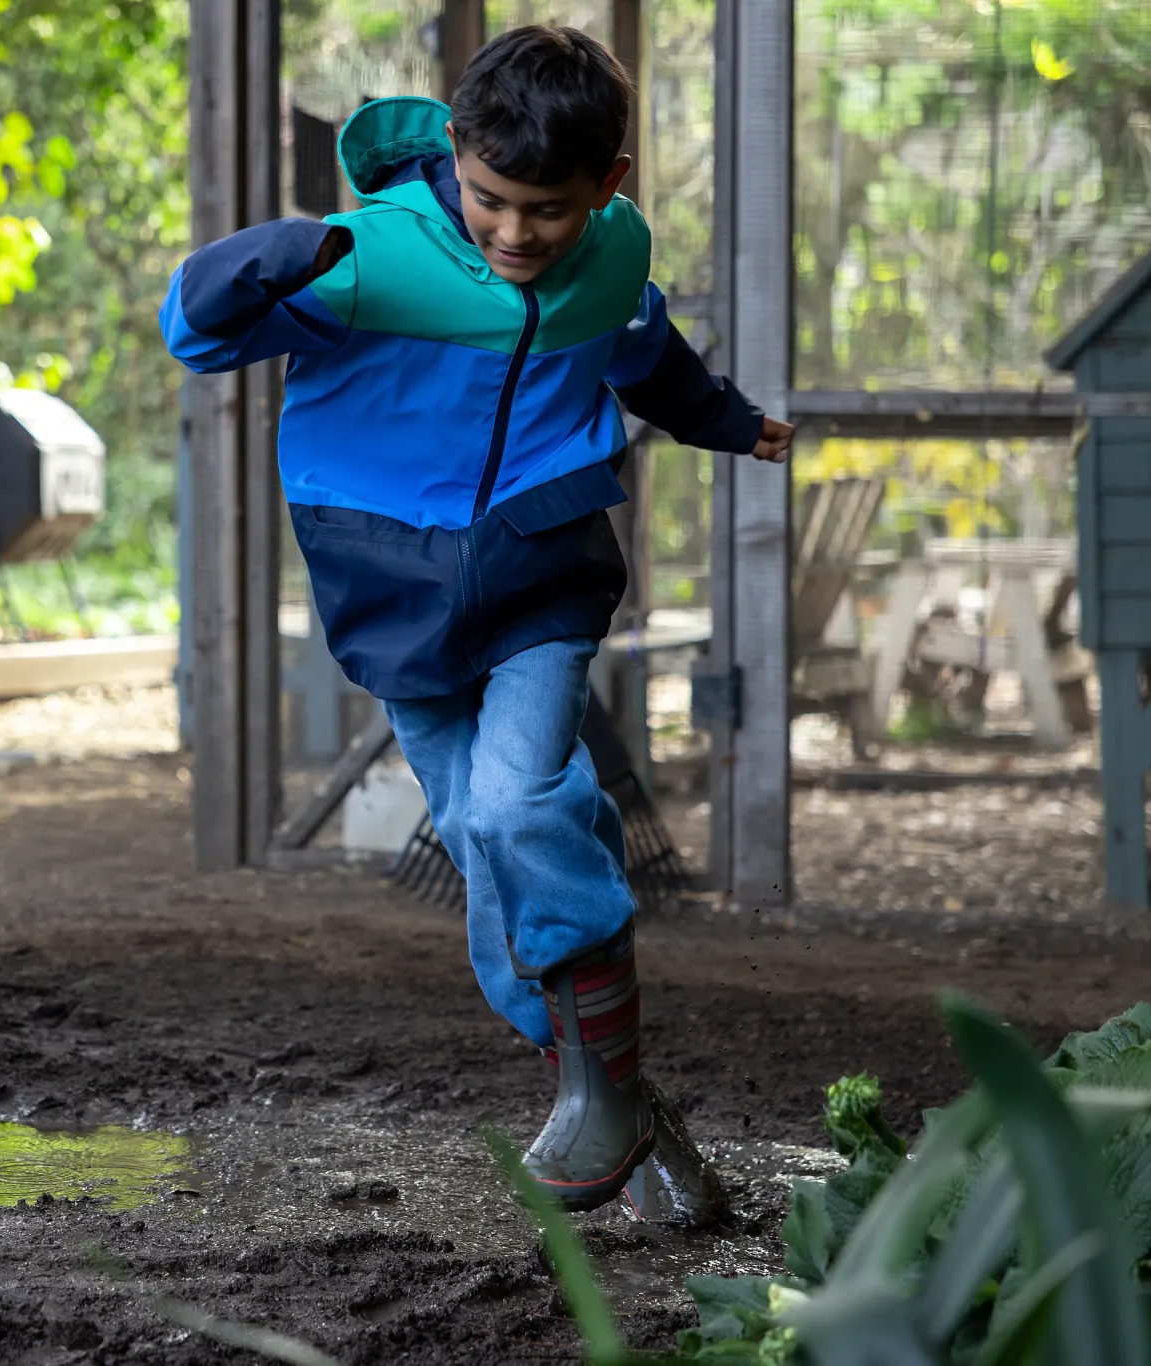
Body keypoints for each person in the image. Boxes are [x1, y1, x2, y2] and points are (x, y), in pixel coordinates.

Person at [161, 26, 792, 1213]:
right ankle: (615, 1103)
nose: (514, 233)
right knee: (487, 851)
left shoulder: (607, 257)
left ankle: (597, 1100)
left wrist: (724, 420)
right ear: (455, 155)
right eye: (492, 199)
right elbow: (196, 335)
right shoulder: (368, 262)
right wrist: (268, 255)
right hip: (389, 594)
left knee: (514, 806)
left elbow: (641, 349)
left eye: (547, 210)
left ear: (608, 185)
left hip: (536, 572)